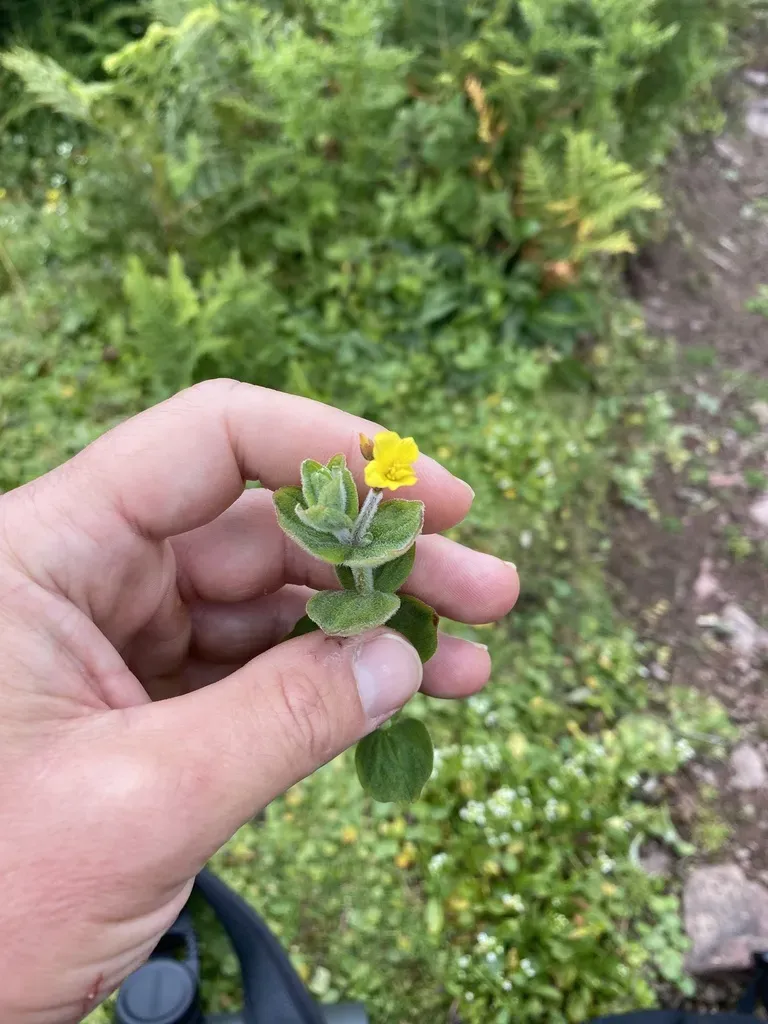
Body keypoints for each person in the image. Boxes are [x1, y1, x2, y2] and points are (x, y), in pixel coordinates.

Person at [0, 380, 519, 1024]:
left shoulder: (385, 506)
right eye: (385, 469)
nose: (389, 473)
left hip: (366, 590)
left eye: (391, 469)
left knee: (385, 613)